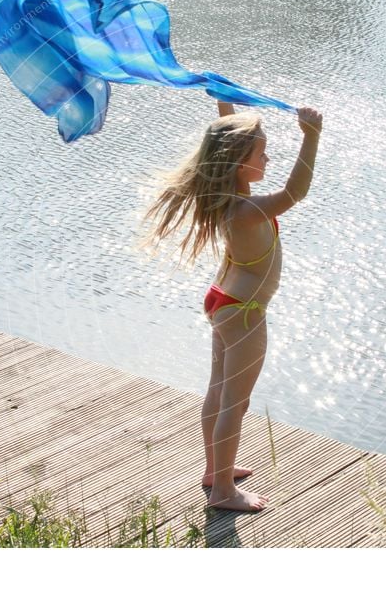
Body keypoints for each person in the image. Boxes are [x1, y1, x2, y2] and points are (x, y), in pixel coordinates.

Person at [143, 101, 322, 511]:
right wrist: (311, 138)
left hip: (224, 301)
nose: (268, 158)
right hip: (243, 312)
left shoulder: (229, 198)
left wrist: (223, 102)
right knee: (235, 403)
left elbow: (228, 136)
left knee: (219, 391)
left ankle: (215, 470)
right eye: (262, 153)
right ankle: (223, 491)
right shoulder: (245, 209)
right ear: (241, 164)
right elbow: (296, 192)